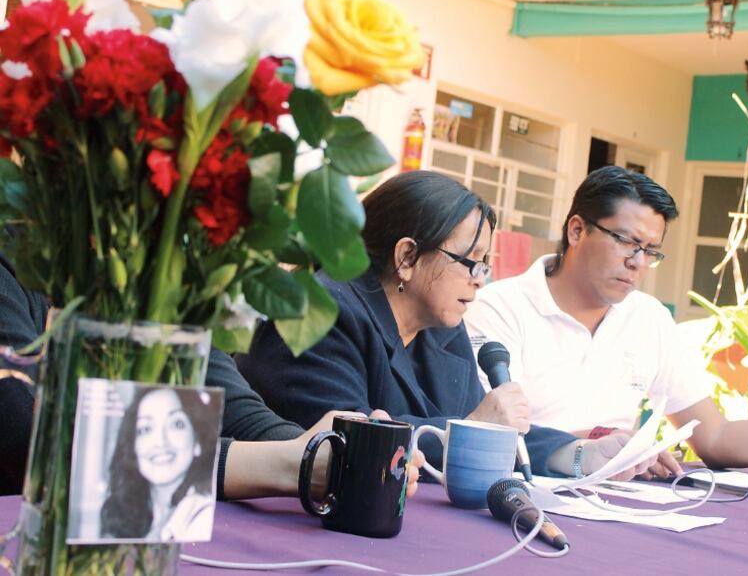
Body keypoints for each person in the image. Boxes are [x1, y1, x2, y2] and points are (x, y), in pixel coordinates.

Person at [239, 171, 654, 479]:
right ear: (406, 256)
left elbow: (487, 427)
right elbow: (347, 443)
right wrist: (470, 430)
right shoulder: (323, 311)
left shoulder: (441, 327)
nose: (480, 278)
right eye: (470, 261)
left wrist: (583, 454)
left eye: (486, 264)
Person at [464, 166, 748, 478]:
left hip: (617, 505)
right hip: (525, 497)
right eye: (625, 241)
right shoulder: (500, 308)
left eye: (650, 251)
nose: (637, 262)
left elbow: (715, 437)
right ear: (576, 230)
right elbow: (485, 433)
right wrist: (603, 444)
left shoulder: (648, 319)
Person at [0, 251, 424, 501]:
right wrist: (287, 465)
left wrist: (330, 450)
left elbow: (234, 409)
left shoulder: (152, 265)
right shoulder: (16, 262)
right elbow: (30, 435)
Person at [101, 386, 220, 541]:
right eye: (145, 429)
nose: (160, 441)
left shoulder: (200, 514)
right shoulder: (126, 513)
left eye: (176, 424)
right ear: (133, 447)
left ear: (197, 441)